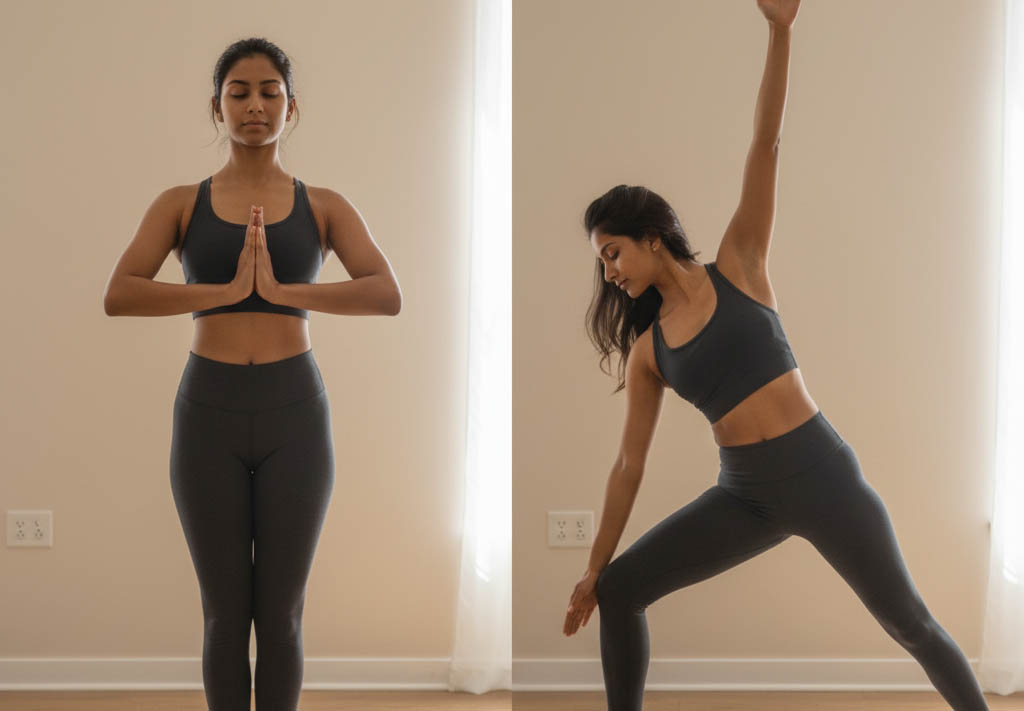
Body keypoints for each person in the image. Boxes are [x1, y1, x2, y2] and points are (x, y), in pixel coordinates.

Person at [561, 2, 989, 710]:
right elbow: (628, 465)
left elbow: (766, 142)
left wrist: (780, 31)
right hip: (745, 496)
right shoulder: (648, 351)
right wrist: (592, 569)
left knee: (909, 621)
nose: (609, 273)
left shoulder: (741, 264)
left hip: (822, 475)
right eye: (602, 261)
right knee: (622, 587)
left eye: (612, 253)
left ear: (650, 237)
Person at [103, 37, 401, 711]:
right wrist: (224, 291)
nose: (255, 106)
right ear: (218, 107)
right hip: (206, 413)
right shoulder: (181, 203)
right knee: (223, 616)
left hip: (296, 413)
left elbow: (386, 293)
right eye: (239, 93)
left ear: (293, 106)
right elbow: (119, 293)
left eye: (270, 92)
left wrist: (284, 291)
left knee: (283, 615)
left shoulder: (324, 205)